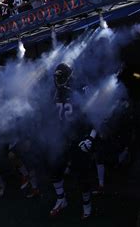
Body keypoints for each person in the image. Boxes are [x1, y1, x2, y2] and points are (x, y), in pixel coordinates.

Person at [47, 64, 97, 220]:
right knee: (54, 170)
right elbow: (52, 117)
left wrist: (90, 137)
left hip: (78, 139)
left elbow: (96, 115)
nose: (57, 79)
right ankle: (61, 200)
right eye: (56, 76)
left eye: (60, 76)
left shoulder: (80, 90)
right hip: (62, 139)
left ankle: (87, 205)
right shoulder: (54, 93)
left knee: (82, 176)